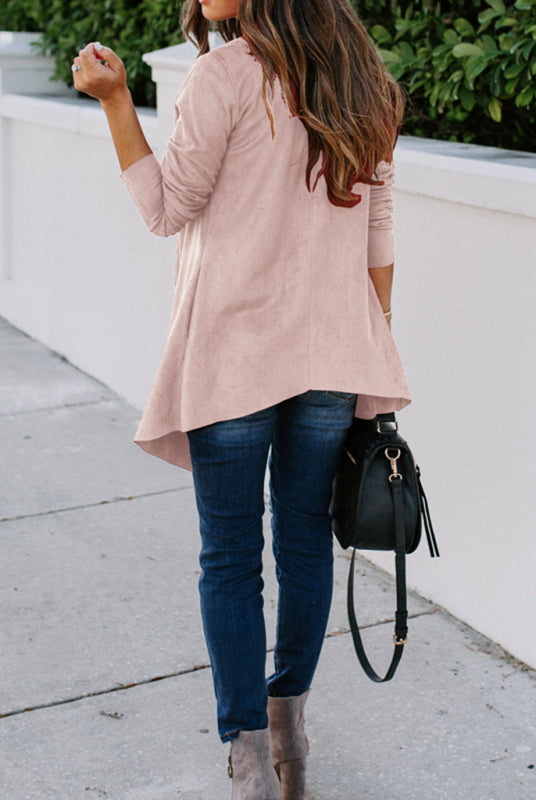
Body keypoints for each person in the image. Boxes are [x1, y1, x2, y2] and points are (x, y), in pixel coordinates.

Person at [72, 0, 410, 797]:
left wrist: (116, 103)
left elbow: (166, 209)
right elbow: (379, 228)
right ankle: (289, 729)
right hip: (329, 358)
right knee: (304, 543)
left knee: (229, 556)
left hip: (232, 355)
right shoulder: (360, 77)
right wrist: (372, 338)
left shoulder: (221, 75)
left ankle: (250, 757)